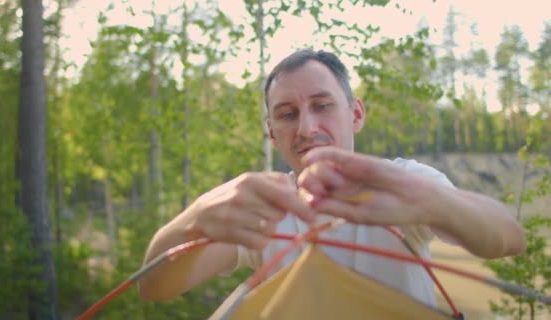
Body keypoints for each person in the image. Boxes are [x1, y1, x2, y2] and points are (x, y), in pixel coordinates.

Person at [138, 49, 526, 308]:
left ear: (355, 114)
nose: (307, 128)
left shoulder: (404, 181)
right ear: (272, 132)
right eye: (287, 114)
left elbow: (508, 238)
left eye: (322, 106)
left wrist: (433, 201)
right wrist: (196, 216)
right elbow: (153, 288)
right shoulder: (265, 205)